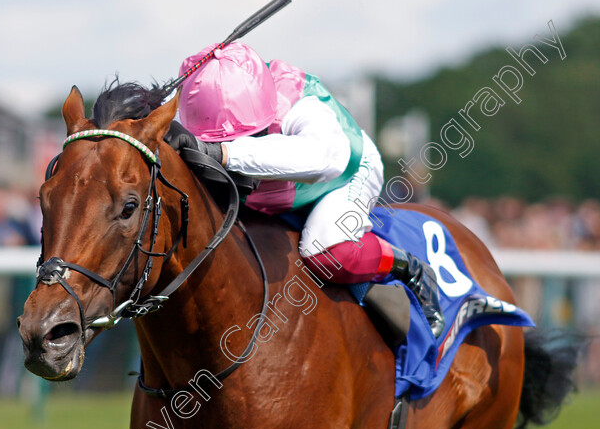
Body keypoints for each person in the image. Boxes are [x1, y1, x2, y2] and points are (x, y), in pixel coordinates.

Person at [168, 42, 443, 336]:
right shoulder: (209, 100)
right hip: (277, 190)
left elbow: (326, 160)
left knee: (326, 252)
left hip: (345, 174)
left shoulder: (300, 104)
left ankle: (409, 268)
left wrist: (224, 153)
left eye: (241, 136)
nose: (231, 142)